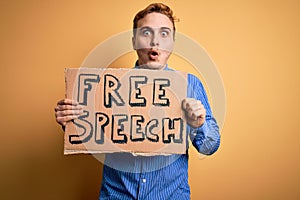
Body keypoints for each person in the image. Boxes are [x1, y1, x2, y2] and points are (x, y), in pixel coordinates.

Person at [55, 3, 220, 200]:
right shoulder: (104, 86)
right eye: (146, 33)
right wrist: (72, 122)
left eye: (164, 34)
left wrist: (199, 125)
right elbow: (92, 139)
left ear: (173, 42)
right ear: (134, 41)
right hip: (116, 195)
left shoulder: (190, 85)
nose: (155, 42)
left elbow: (209, 147)